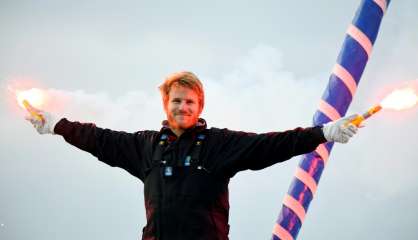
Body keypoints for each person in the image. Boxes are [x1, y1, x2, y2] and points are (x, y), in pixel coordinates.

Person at [25, 71, 358, 240]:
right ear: (166, 105)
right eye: (176, 100)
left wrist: (323, 133)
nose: (182, 107)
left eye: (189, 102)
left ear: (200, 107)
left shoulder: (218, 144)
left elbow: (271, 144)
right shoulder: (146, 146)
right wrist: (56, 124)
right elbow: (98, 139)